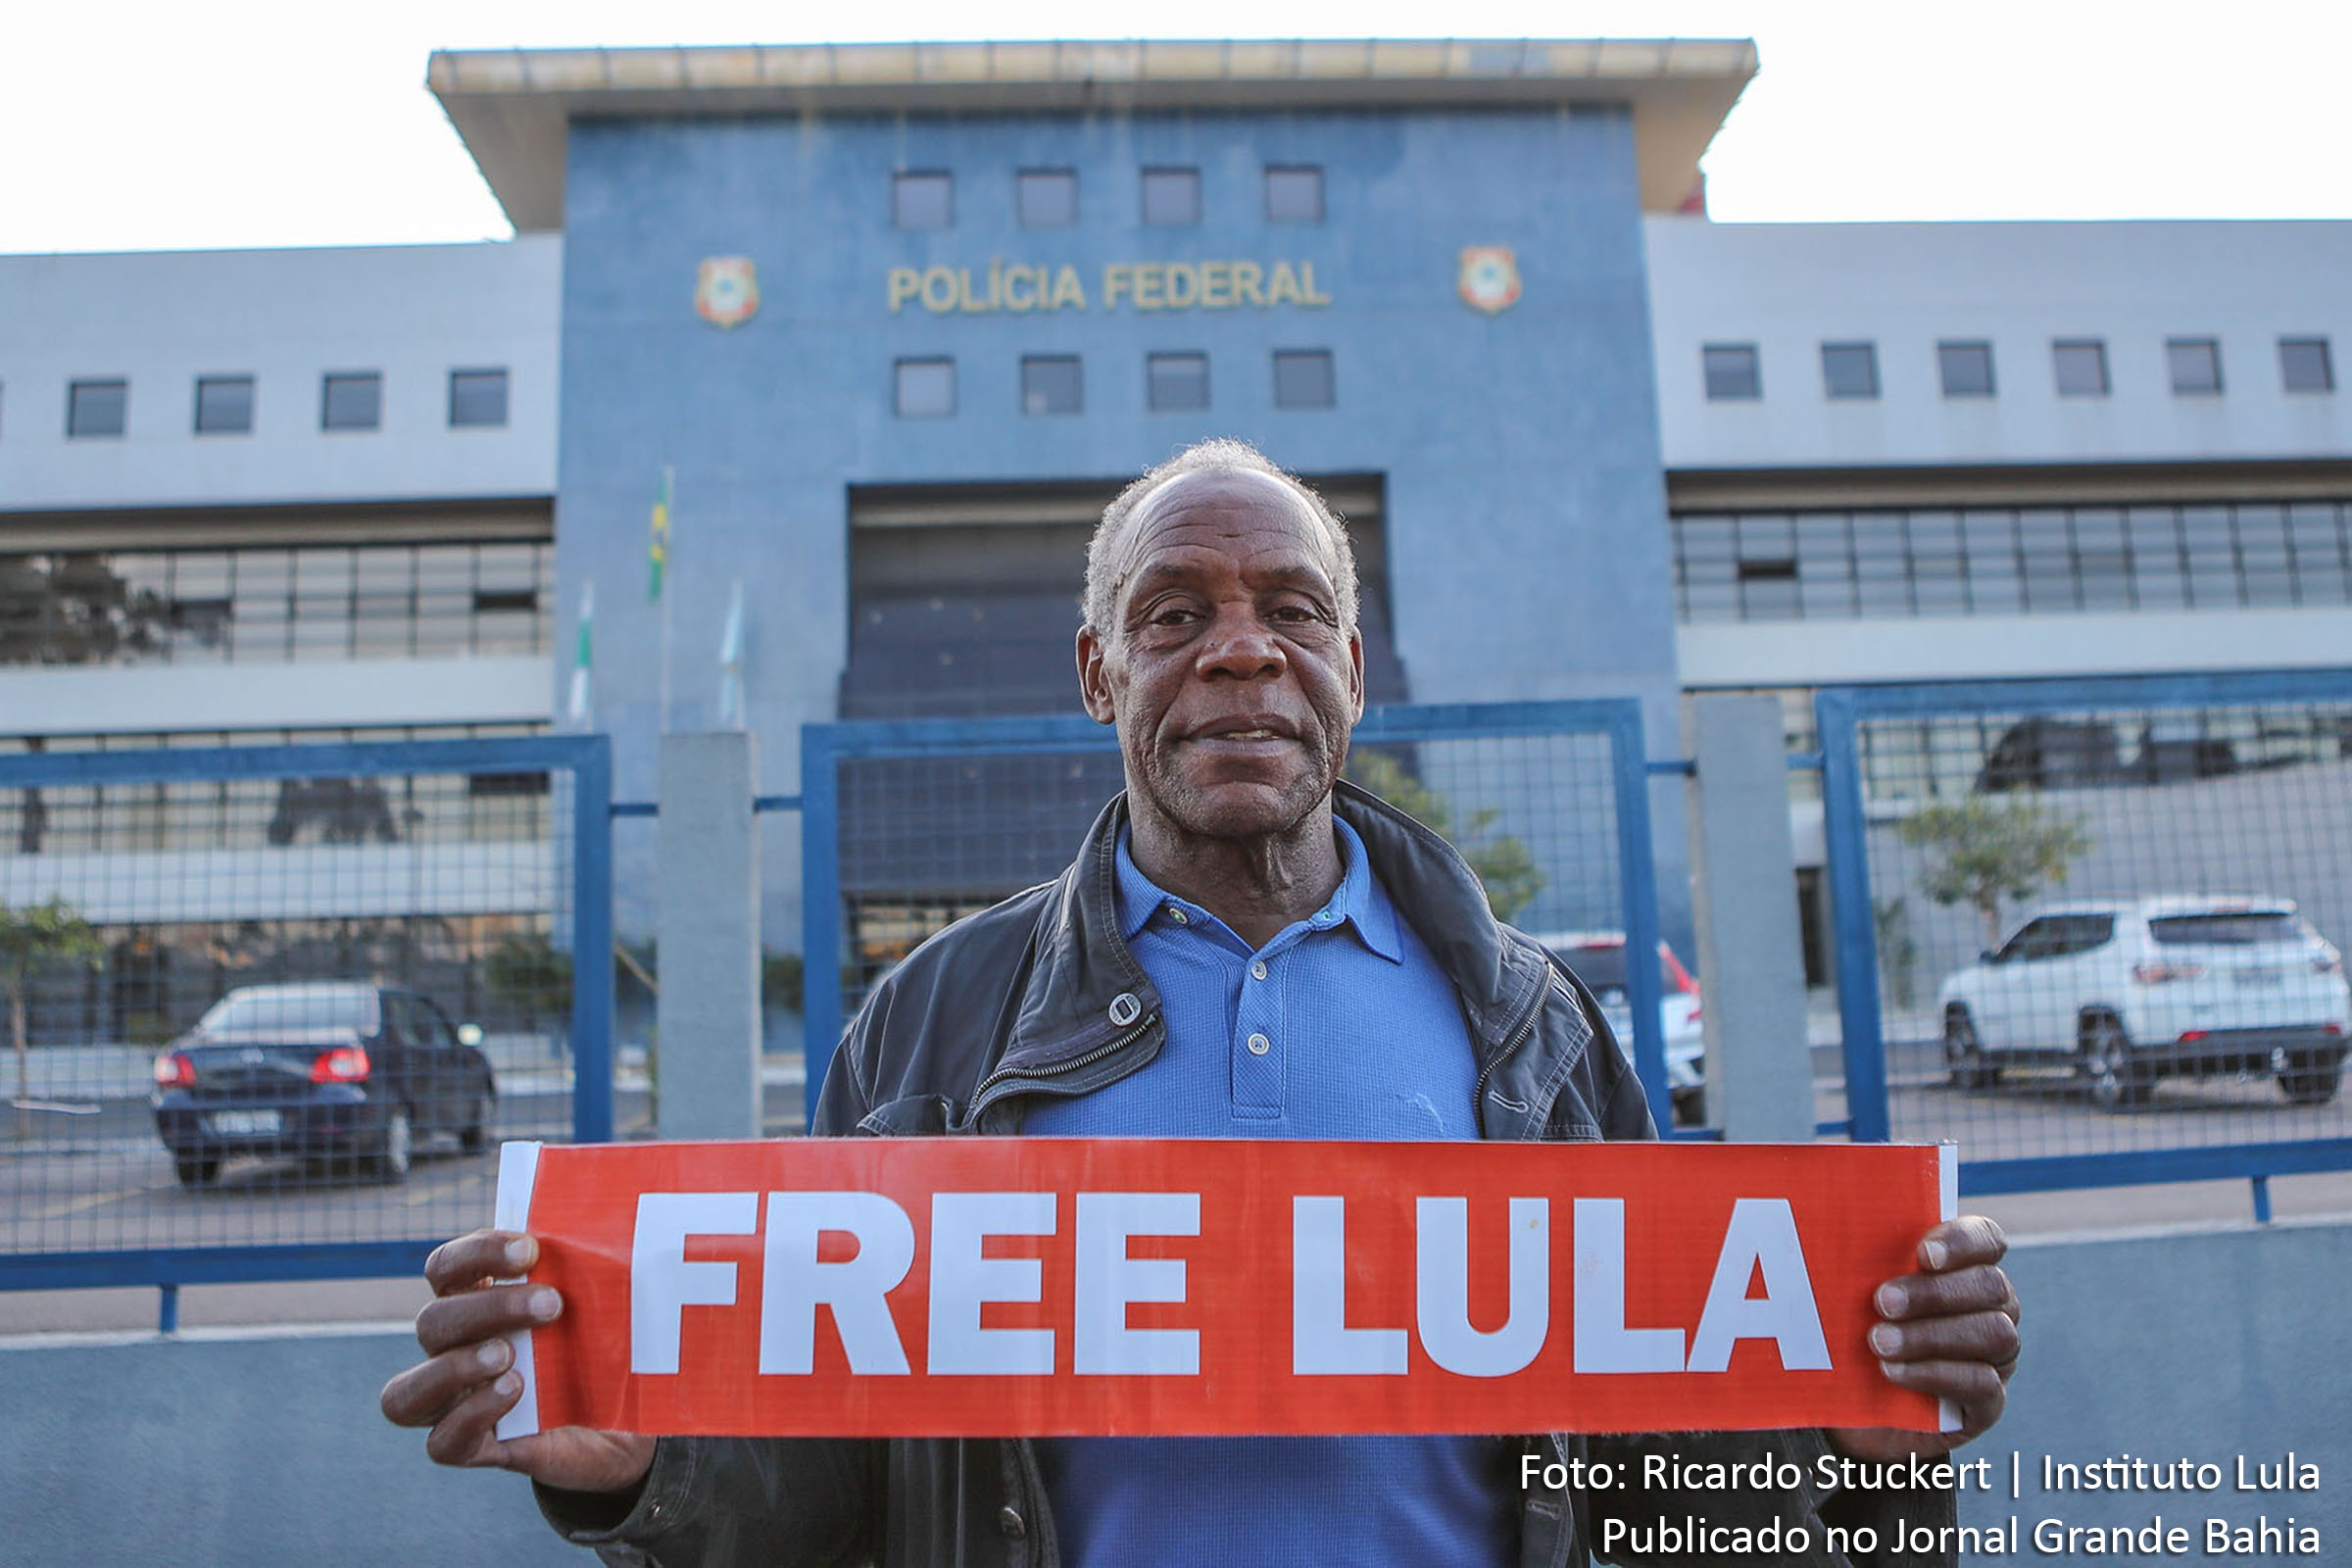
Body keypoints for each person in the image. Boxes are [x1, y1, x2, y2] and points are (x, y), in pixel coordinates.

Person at [383, 438, 2022, 1565]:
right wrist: (642, 1473)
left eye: (1291, 610)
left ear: (1353, 672)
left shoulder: (1539, 1030)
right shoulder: (932, 1030)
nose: (1241, 652)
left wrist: (1858, 1459)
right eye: (1178, 614)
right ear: (1099, 673)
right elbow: (835, 1484)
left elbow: (1666, 1485)